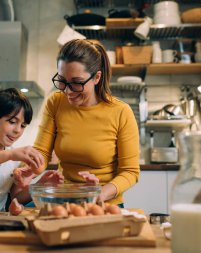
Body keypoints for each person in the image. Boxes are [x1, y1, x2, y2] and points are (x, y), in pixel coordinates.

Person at [18, 39, 140, 206]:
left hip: (103, 201)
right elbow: (43, 153)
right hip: (62, 196)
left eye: (76, 83)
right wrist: (29, 170)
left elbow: (130, 172)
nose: (67, 91)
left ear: (97, 77)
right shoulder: (55, 102)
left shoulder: (121, 112)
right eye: (62, 81)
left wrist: (99, 194)